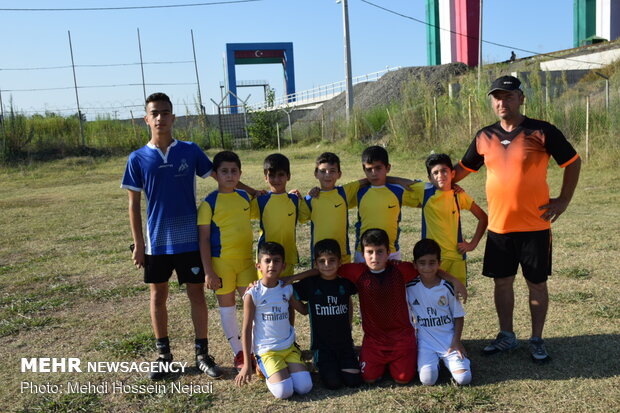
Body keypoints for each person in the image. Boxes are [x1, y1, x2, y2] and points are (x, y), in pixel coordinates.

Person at [454, 75, 581, 363]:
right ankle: (506, 336)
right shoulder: (484, 136)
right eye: (497, 97)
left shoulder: (542, 131)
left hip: (535, 226)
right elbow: (460, 169)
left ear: (521, 99)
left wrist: (563, 200)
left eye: (508, 97)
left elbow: (573, 162)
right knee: (502, 283)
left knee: (536, 284)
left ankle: (536, 339)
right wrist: (435, 181)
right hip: (499, 227)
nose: (502, 102)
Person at [121, 92, 221, 380]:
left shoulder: (189, 151)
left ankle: (202, 354)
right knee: (158, 295)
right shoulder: (137, 158)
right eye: (155, 113)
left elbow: (222, 177)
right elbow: (133, 204)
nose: (160, 118)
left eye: (165, 113)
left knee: (196, 293)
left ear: (173, 117)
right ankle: (164, 356)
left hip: (190, 239)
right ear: (146, 118)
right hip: (156, 242)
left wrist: (254, 193)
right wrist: (139, 244)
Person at [289, 228, 466, 385]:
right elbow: (323, 269)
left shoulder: (401, 269)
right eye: (370, 252)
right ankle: (376, 360)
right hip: (374, 340)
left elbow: (427, 268)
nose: (375, 257)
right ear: (363, 253)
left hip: (401, 338)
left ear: (388, 252)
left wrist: (453, 280)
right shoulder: (356, 271)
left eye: (380, 252)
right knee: (369, 379)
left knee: (403, 379)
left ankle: (398, 363)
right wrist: (290, 279)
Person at [198, 150, 256, 372]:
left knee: (252, 305)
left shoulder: (243, 197)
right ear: (216, 174)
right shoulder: (209, 203)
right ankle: (239, 352)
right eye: (224, 171)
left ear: (240, 173)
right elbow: (203, 240)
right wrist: (209, 271)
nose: (229, 176)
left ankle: (253, 350)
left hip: (246, 263)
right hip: (222, 263)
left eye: (234, 171)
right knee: (228, 308)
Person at [235, 242, 312, 399]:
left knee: (305, 387)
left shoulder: (287, 288)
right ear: (259, 266)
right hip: (267, 351)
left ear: (283, 266)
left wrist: (293, 278)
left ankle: (288, 367)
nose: (272, 265)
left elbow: (303, 311)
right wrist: (246, 365)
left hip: (288, 348)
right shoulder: (253, 293)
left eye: (276, 261)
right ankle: (261, 367)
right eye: (267, 261)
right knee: (285, 392)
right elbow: (246, 329)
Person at [293, 239, 362, 389]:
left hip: (344, 345)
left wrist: (349, 324)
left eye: (332, 260)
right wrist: (298, 304)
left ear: (339, 262)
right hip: (322, 347)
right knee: (333, 384)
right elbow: (291, 295)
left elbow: (348, 300)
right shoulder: (310, 284)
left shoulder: (345, 283)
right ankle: (317, 363)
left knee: (354, 382)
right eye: (322, 261)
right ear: (315, 264)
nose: (327, 265)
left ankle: (352, 354)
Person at [406, 238, 472, 386]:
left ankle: (456, 361)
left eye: (432, 263)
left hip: (449, 341)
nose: (427, 268)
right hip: (426, 343)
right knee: (427, 380)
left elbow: (459, 316)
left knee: (464, 379)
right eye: (422, 263)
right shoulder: (410, 287)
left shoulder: (447, 287)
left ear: (439, 263)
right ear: (415, 265)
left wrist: (456, 342)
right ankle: (435, 363)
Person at [416, 153, 488, 286]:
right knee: (433, 297)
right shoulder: (424, 192)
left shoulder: (459, 195)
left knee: (454, 299)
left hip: (456, 257)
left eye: (444, 171)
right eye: (435, 173)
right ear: (429, 178)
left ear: (453, 173)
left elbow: (483, 218)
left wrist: (472, 244)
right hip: (432, 259)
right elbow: (404, 184)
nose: (440, 176)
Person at [353, 146, 422, 263]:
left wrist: (397, 180)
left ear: (388, 168)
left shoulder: (398, 191)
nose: (374, 173)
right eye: (369, 169)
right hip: (363, 252)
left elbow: (424, 199)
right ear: (363, 169)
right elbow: (333, 195)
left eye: (378, 168)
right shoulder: (359, 191)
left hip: (391, 252)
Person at [298, 152, 360, 264]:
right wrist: (297, 195)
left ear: (339, 174)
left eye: (332, 171)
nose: (327, 175)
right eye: (322, 171)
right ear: (316, 173)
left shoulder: (344, 192)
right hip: (319, 257)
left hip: (342, 255)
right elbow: (301, 218)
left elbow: (366, 181)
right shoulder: (310, 199)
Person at [251, 154, 299, 278]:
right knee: (266, 293)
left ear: (288, 176)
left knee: (284, 293)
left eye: (281, 175)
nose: (276, 179)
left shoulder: (295, 200)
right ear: (265, 178)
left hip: (287, 257)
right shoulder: (261, 201)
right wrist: (252, 194)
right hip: (266, 258)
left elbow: (306, 215)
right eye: (272, 175)